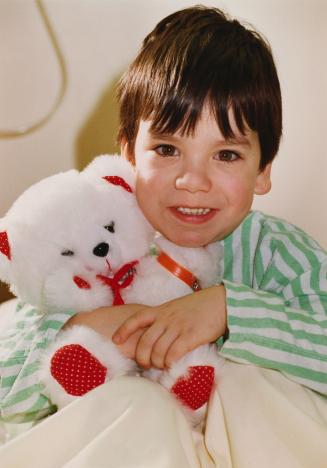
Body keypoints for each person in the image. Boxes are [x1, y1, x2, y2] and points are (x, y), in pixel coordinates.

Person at [1, 4, 327, 425]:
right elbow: (7, 382)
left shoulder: (278, 254)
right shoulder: (93, 246)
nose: (193, 180)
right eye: (168, 150)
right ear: (128, 155)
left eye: (226, 154)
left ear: (263, 170)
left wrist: (228, 310)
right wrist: (87, 326)